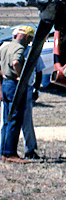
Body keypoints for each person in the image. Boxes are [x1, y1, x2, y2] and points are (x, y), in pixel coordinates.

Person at [1, 25, 34, 162]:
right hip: (15, 85)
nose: (29, 43)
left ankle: (3, 150)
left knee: (6, 120)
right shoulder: (19, 48)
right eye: (30, 40)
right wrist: (21, 77)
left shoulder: (5, 46)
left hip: (6, 83)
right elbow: (15, 62)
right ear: (26, 37)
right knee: (15, 119)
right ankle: (10, 153)